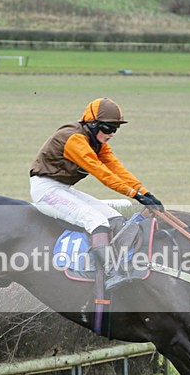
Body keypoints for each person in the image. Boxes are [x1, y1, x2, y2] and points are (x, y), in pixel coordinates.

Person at [29, 97, 164, 289]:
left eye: (115, 129)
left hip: (63, 188)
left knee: (115, 219)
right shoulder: (74, 139)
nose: (112, 134)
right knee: (96, 221)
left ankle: (123, 264)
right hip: (46, 190)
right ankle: (111, 272)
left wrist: (144, 192)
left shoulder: (97, 142)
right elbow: (101, 172)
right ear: (92, 124)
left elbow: (116, 168)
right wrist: (134, 195)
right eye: (108, 128)